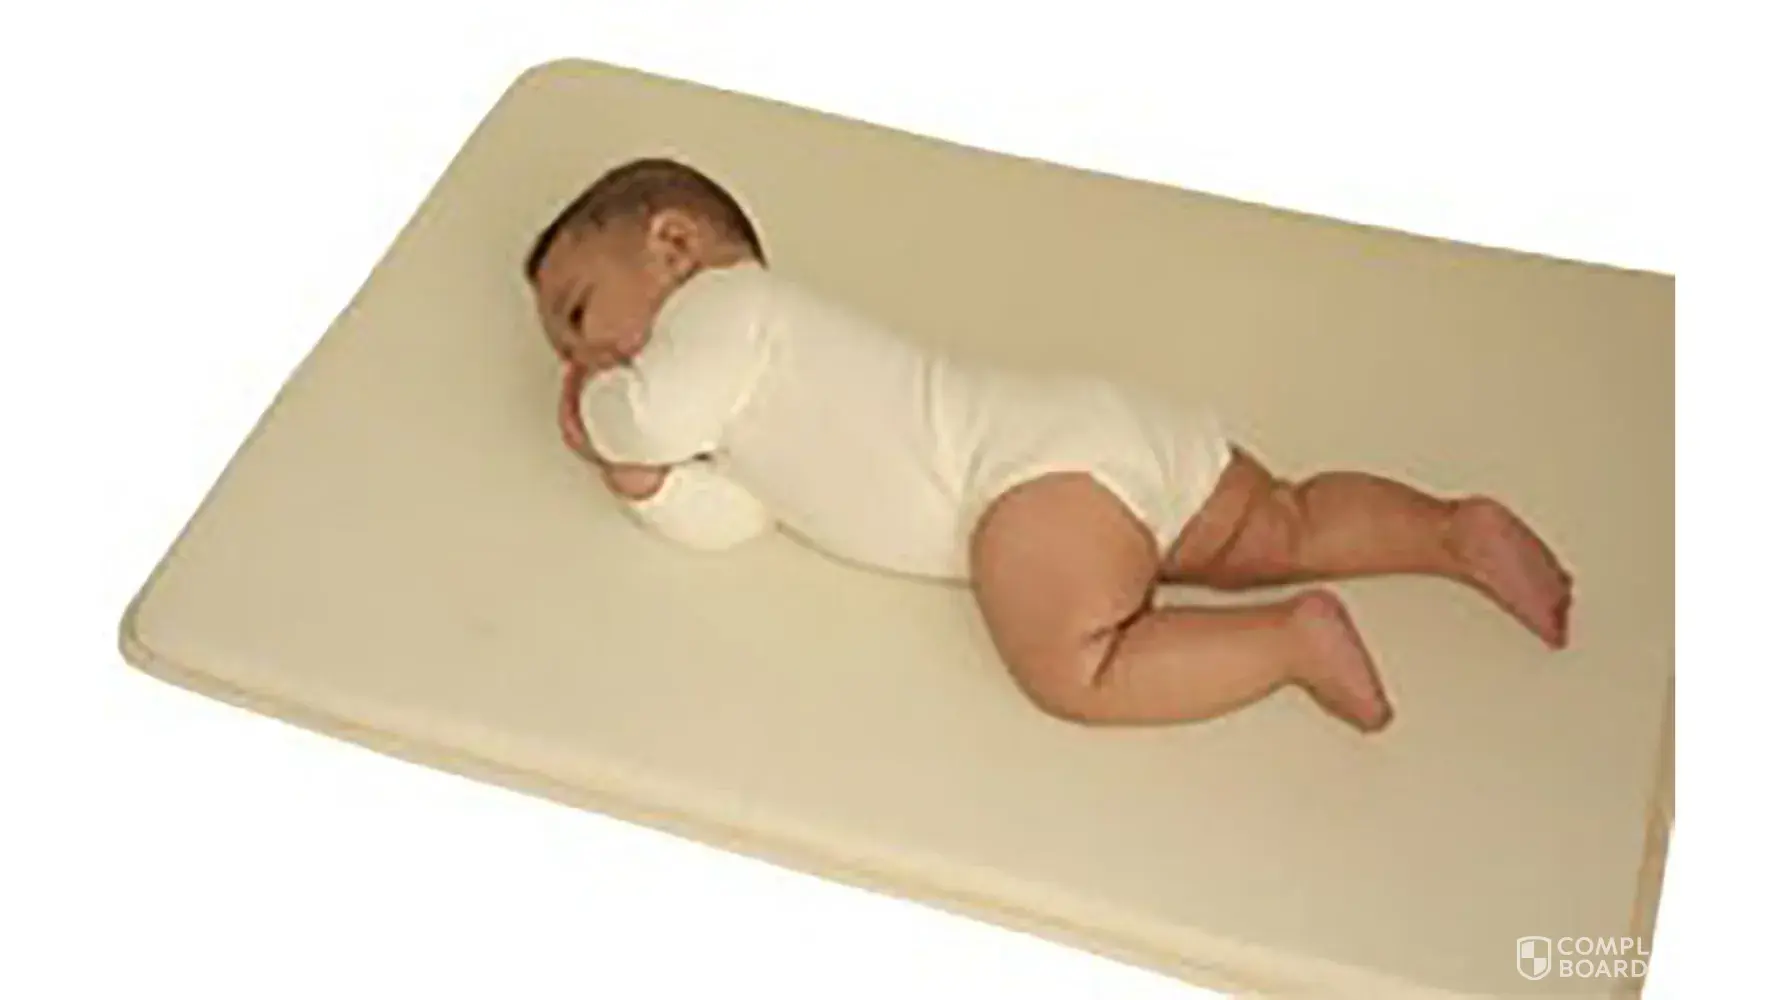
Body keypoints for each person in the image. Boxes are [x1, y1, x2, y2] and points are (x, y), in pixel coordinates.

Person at [524, 157, 1573, 735]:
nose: (582, 357)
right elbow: (738, 516)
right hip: (1088, 433)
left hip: (1022, 494)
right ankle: (1449, 530)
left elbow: (651, 415)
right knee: (1280, 517)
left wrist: (597, 425)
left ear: (673, 243)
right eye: (566, 351)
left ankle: (1284, 644)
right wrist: (647, 488)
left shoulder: (725, 306)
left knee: (1082, 670)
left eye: (578, 314)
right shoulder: (737, 396)